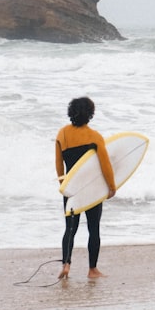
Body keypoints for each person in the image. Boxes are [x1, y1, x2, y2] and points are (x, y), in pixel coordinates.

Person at [55, 97, 116, 279]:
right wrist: (111, 187)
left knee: (70, 229)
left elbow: (59, 165)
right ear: (90, 114)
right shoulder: (95, 137)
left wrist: (64, 186)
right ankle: (92, 269)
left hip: (72, 189)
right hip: (92, 189)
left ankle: (66, 264)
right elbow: (105, 165)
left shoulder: (62, 134)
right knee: (93, 228)